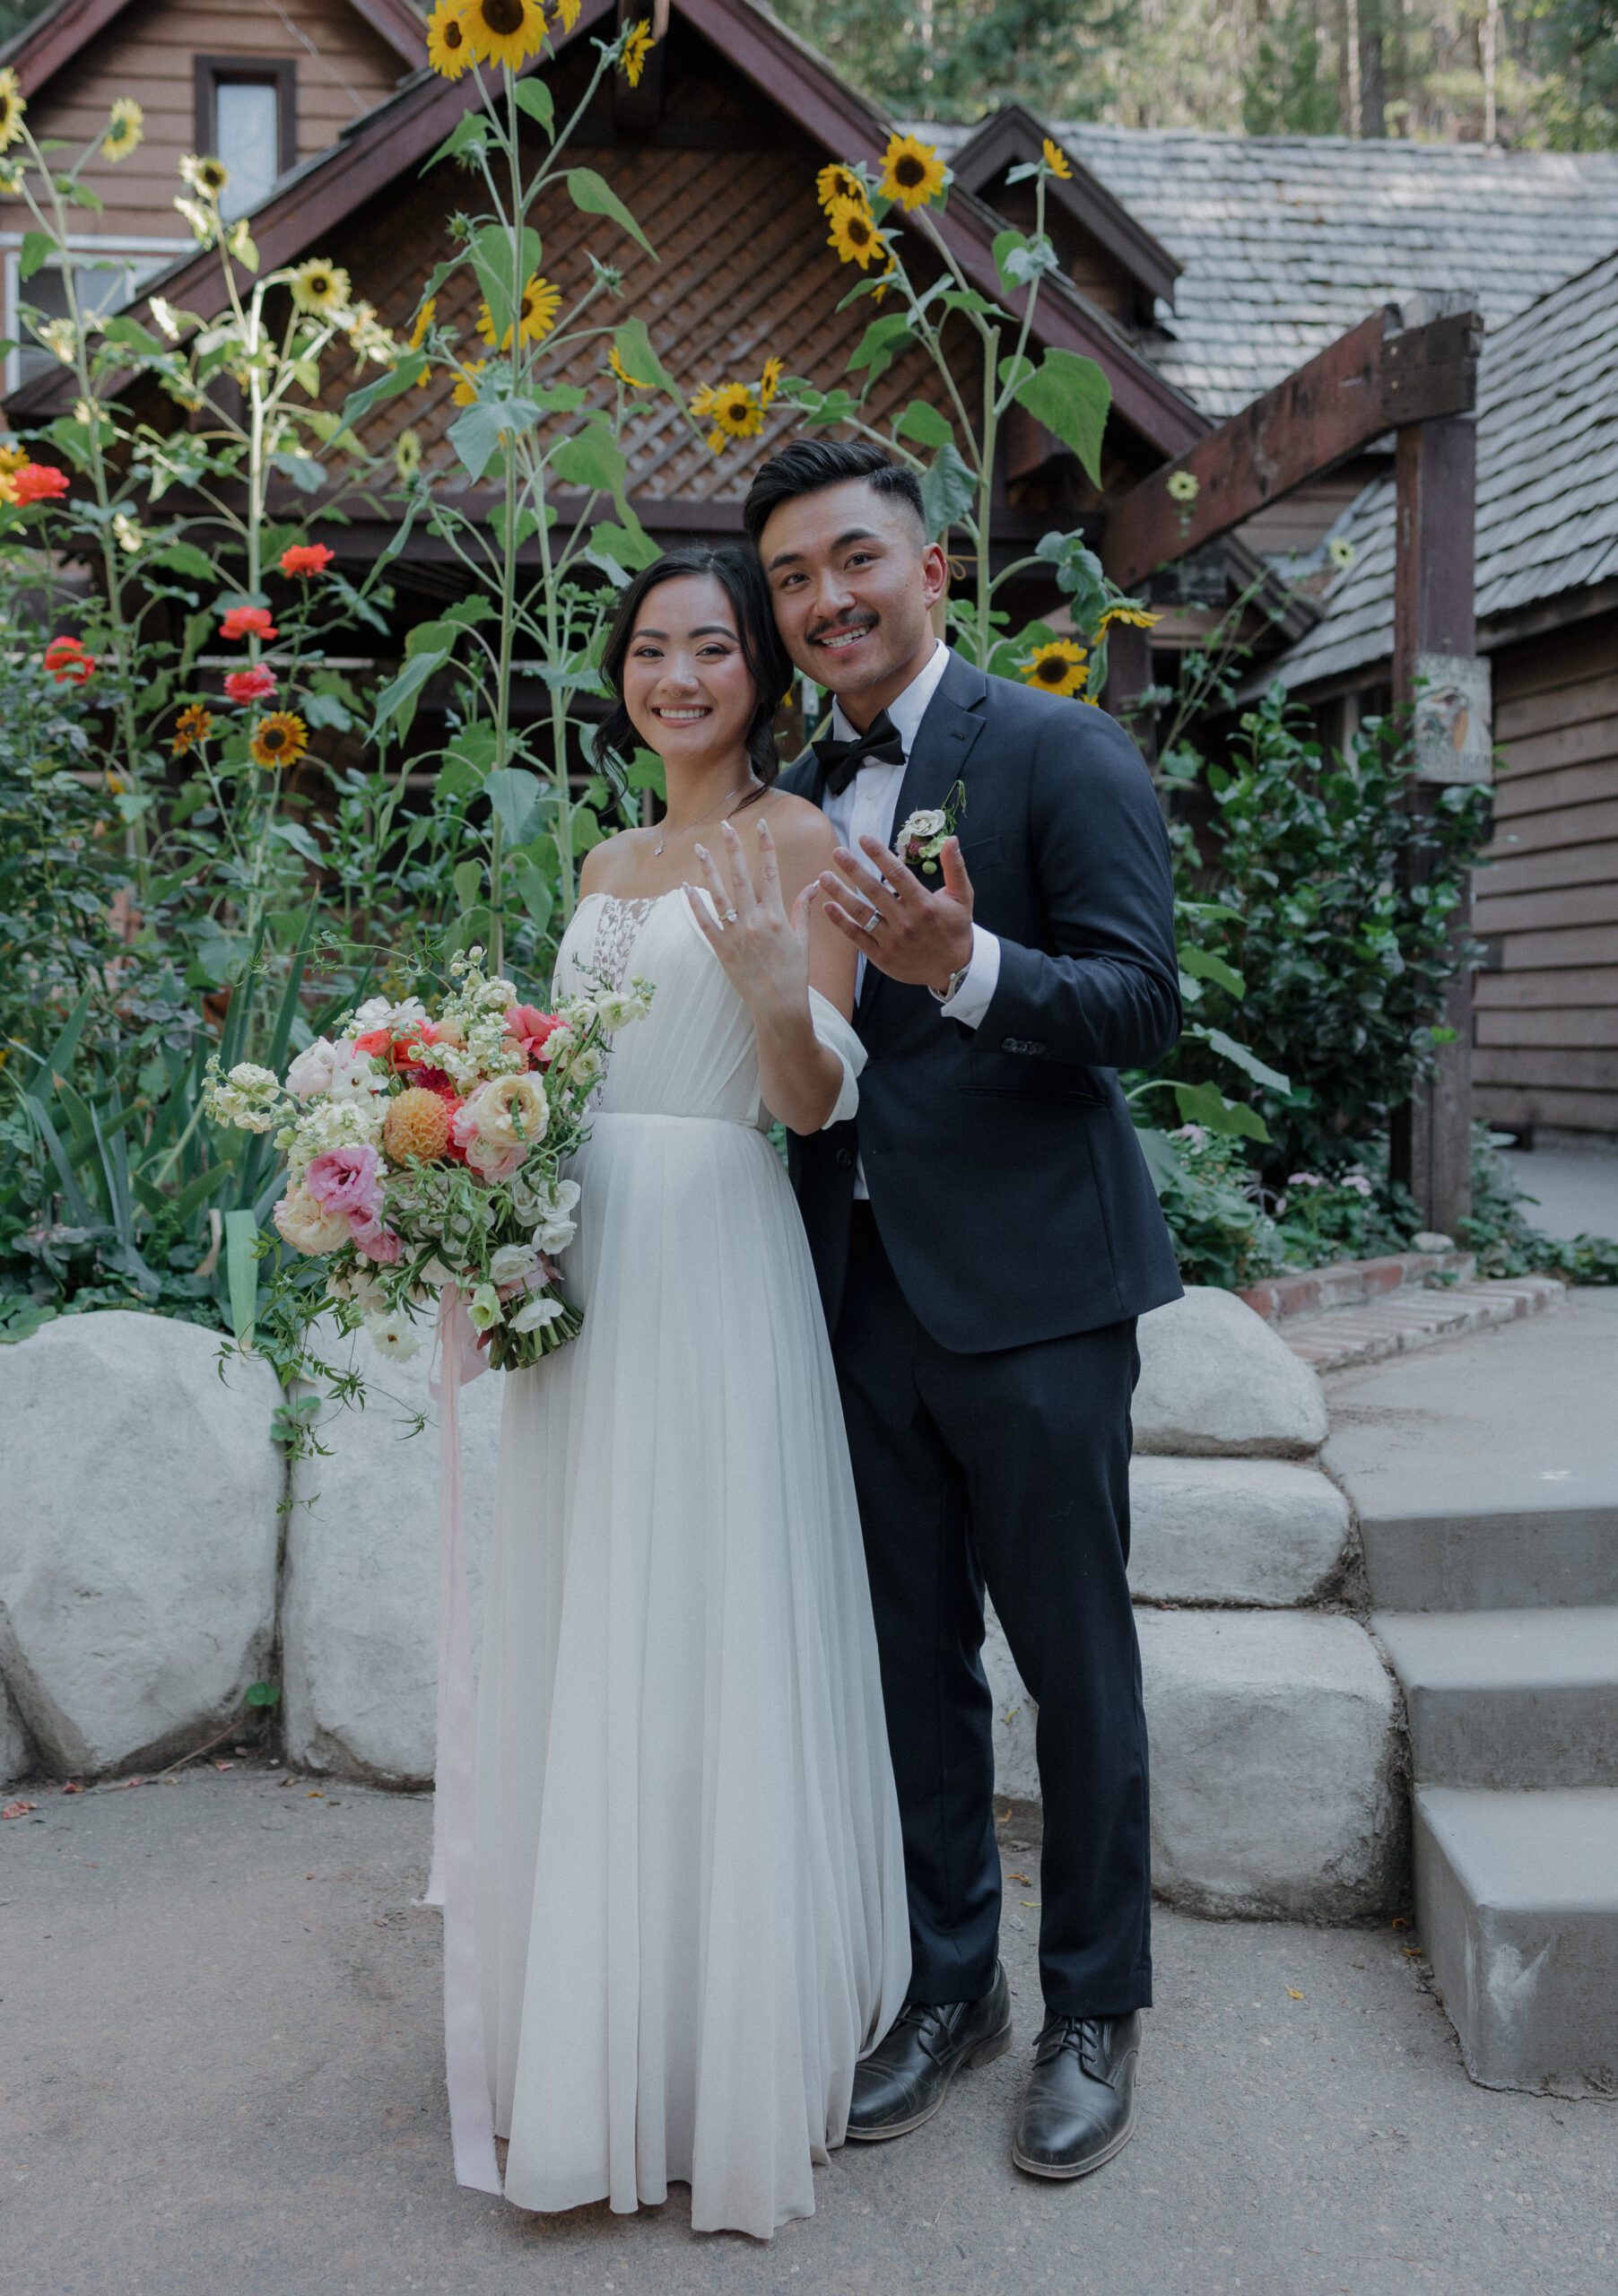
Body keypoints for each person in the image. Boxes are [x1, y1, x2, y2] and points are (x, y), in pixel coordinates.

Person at [748, 438, 1183, 2180]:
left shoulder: (1056, 747)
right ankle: (950, 1985)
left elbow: (1143, 1000)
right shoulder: (790, 792)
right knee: (908, 1665)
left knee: (1071, 1666)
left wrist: (967, 966)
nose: (821, 597)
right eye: (788, 576)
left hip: (1037, 1294)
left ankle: (1092, 2002)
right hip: (853, 1293)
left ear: (928, 569)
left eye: (850, 557)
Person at [473, 544, 909, 2240]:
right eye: (651, 650)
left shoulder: (802, 843)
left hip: (720, 1254)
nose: (678, 677)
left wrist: (760, 987)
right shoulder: (603, 855)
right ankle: (592, 2032)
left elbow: (813, 1109)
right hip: (586, 1266)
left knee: (705, 1623)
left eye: (710, 648)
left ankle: (714, 2052)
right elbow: (560, 1073)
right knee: (597, 1621)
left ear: (759, 673)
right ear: (624, 675)